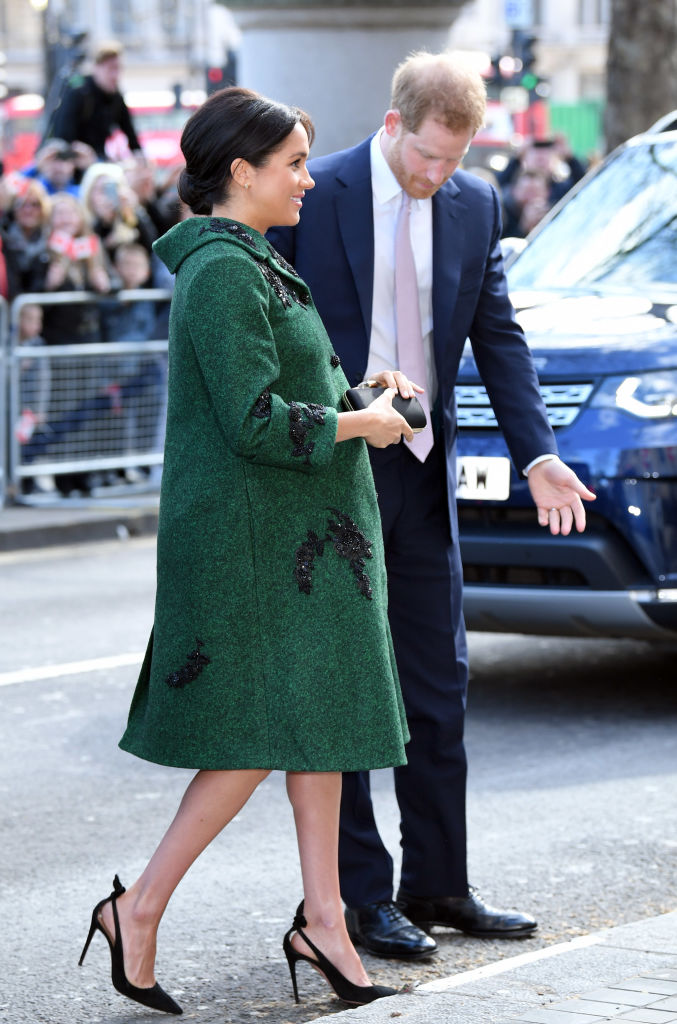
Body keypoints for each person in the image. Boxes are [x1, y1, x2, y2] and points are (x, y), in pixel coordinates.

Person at [78, 85, 416, 1016]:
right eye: (294, 164)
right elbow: (255, 421)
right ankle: (137, 909)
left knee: (317, 735)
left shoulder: (252, 261)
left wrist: (371, 393)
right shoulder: (224, 271)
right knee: (255, 739)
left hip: (297, 540)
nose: (309, 180)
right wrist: (362, 422)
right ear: (240, 172)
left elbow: (291, 388)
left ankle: (326, 921)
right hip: (257, 549)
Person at [268, 51, 596, 960]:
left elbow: (497, 334)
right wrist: (343, 407)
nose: (437, 176)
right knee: (350, 695)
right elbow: (276, 331)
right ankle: (362, 901)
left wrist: (537, 453)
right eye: (426, 158)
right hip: (337, 472)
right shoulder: (313, 194)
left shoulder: (475, 204)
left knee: (439, 687)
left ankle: (439, 882)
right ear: (391, 127)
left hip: (421, 474)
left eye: (454, 160)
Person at [49, 41, 142, 161]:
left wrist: (140, 157)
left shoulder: (116, 98)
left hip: (98, 160)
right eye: (111, 69)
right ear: (96, 68)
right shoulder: (79, 93)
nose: (116, 75)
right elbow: (62, 139)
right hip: (74, 165)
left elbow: (131, 136)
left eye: (119, 68)